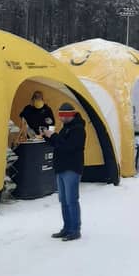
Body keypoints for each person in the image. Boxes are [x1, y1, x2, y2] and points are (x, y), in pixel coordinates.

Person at [43, 101, 86, 241]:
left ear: (71, 115)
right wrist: (47, 136)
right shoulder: (66, 128)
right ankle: (67, 228)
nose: (61, 118)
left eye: (64, 116)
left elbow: (69, 147)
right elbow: (58, 144)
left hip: (71, 168)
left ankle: (75, 230)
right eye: (60, 115)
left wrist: (53, 136)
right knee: (63, 200)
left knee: (71, 200)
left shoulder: (78, 129)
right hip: (61, 168)